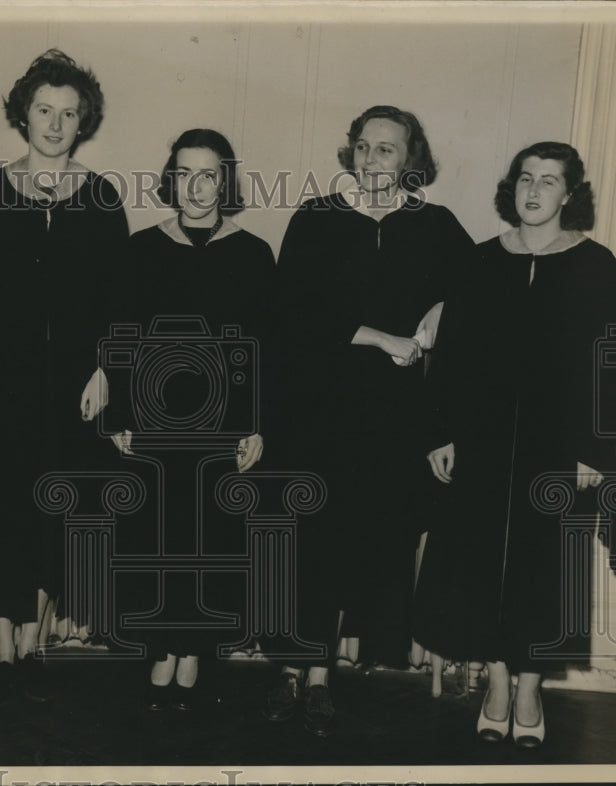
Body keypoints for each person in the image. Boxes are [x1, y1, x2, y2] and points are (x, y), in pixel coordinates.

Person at [422, 141, 616, 747]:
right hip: (481, 440)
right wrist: (441, 432)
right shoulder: (479, 261)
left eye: (549, 182)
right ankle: (497, 682)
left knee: (542, 570)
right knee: (479, 566)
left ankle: (528, 688)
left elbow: (610, 367)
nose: (534, 190)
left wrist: (594, 452)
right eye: (526, 177)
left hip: (558, 448)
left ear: (569, 195)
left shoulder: (595, 265)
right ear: (512, 186)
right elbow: (451, 359)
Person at [263, 105, 475, 736]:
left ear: (411, 159)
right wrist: (383, 338)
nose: (374, 159)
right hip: (317, 411)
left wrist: (440, 312)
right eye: (364, 147)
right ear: (351, 153)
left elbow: (480, 289)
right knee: (306, 544)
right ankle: (290, 671)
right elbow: (292, 316)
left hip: (392, 422)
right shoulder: (317, 219)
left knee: (359, 545)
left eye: (389, 149)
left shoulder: (435, 225)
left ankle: (322, 677)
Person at [0, 49, 129, 708]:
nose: (55, 123)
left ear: (84, 122)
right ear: (24, 115)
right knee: (0, 510)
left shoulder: (102, 199)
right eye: (44, 110)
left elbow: (121, 301)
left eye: (69, 113)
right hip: (3, 387)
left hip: (73, 394)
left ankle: (37, 634)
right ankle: (1, 633)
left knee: (59, 507)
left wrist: (108, 369)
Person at [107, 129, 274, 711]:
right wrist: (121, 416)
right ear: (170, 178)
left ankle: (196, 647)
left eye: (209, 174)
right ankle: (161, 645)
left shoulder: (254, 253)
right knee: (158, 538)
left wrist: (254, 424)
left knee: (212, 540)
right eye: (186, 174)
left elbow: (261, 345)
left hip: (223, 422)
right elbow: (123, 337)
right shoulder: (140, 248)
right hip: (155, 419)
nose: (197, 187)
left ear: (224, 180)